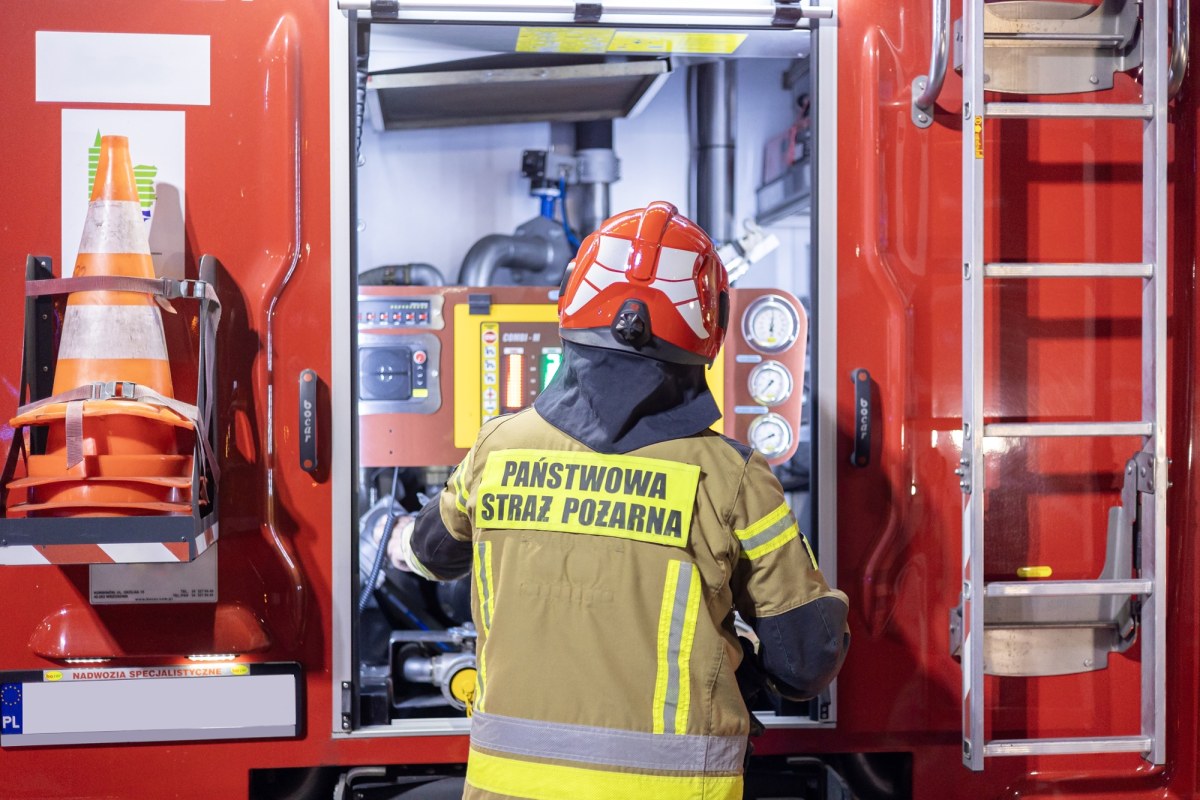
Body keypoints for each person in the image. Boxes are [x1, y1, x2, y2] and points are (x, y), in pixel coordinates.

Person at [393, 201, 849, 800]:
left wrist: (396, 537)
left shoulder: (498, 448)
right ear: (709, 327)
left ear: (571, 303)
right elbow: (805, 662)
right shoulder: (731, 477)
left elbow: (431, 554)